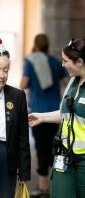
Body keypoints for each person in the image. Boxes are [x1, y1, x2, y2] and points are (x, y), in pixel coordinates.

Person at [28, 38, 85, 198]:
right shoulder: (73, 81)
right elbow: (68, 114)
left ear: (79, 62)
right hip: (65, 156)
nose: (62, 65)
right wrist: (41, 117)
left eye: (66, 61)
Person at [20, 33, 68, 197]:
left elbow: (24, 84)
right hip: (55, 112)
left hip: (38, 113)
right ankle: (51, 183)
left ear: (35, 45)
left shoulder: (30, 62)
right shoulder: (55, 62)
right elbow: (67, 84)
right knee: (51, 147)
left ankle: (42, 188)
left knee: (41, 149)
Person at [0, 38, 31, 198]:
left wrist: (24, 173)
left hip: (7, 155)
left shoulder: (17, 96)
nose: (2, 75)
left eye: (6, 70)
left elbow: (23, 137)